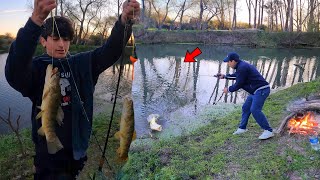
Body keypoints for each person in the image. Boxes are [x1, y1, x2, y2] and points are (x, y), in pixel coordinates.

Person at [5, 0, 140, 178]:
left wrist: (124, 21)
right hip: (48, 156)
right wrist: (35, 21)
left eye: (66, 39)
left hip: (77, 150)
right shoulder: (37, 69)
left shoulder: (82, 64)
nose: (62, 44)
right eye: (55, 38)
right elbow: (15, 71)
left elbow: (110, 51)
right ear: (43, 41)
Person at [217, 52, 274, 140]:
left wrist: (228, 89)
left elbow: (239, 83)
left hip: (261, 89)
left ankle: (268, 130)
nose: (228, 64)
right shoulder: (241, 66)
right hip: (255, 91)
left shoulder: (242, 67)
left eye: (228, 62)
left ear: (233, 61)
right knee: (246, 108)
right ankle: (242, 128)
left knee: (255, 110)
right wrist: (225, 76)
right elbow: (238, 76)